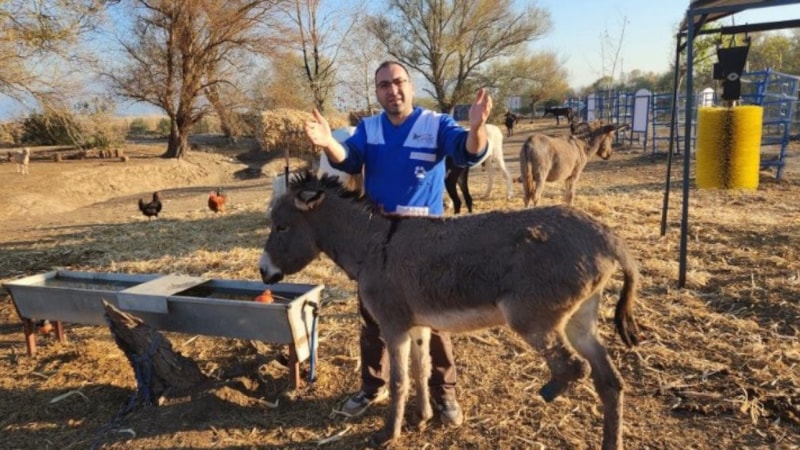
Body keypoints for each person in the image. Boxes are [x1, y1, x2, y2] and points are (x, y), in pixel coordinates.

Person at [304, 60, 493, 426]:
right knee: (373, 317)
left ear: (411, 85)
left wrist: (476, 129)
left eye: (399, 82)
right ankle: (372, 386)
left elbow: (467, 152)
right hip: (378, 242)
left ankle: (443, 391)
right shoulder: (369, 128)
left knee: (434, 320)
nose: (393, 90)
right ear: (377, 92)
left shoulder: (435, 124)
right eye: (384, 85)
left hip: (426, 242)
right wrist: (329, 143)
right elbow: (349, 160)